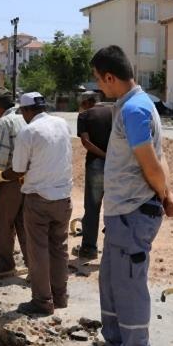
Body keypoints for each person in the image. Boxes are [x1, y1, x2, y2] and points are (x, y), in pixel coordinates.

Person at [83, 45, 173, 346]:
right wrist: (166, 192)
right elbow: (159, 155)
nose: (99, 86)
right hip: (121, 213)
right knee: (111, 280)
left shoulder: (135, 109)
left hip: (132, 211)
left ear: (111, 77)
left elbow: (150, 162)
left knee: (128, 285)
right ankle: (116, 344)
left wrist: (164, 194)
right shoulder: (133, 105)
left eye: (99, 80)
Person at [0, 92, 73, 316]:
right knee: (59, 248)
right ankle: (60, 296)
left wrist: (0, 176)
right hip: (63, 197)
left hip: (38, 199)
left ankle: (42, 301)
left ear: (26, 110)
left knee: (38, 250)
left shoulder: (28, 132)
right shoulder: (61, 124)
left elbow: (18, 170)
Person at [0, 87, 28, 275]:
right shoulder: (24, 119)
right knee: (24, 223)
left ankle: (5, 263)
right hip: (28, 180)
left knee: (2, 222)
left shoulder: (4, 123)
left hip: (10, 180)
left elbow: (0, 158)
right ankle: (33, 263)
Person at [74, 91, 112, 260]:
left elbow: (86, 142)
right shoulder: (114, 111)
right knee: (115, 206)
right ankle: (113, 247)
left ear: (86, 102)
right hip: (117, 165)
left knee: (92, 208)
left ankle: (89, 248)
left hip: (96, 164)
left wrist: (103, 156)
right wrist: (113, 157)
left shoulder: (84, 116)